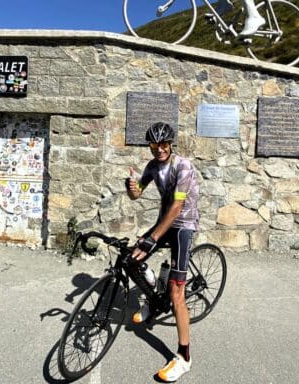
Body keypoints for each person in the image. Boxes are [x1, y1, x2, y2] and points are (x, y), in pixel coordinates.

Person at [126, 122, 200, 382]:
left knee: (177, 291)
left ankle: (184, 357)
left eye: (164, 144)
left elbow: (178, 207)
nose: (159, 149)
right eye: (154, 145)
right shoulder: (152, 167)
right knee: (130, 259)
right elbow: (137, 195)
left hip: (182, 225)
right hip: (163, 222)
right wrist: (132, 188)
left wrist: (153, 237)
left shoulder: (184, 166)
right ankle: (153, 299)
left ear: (171, 144)